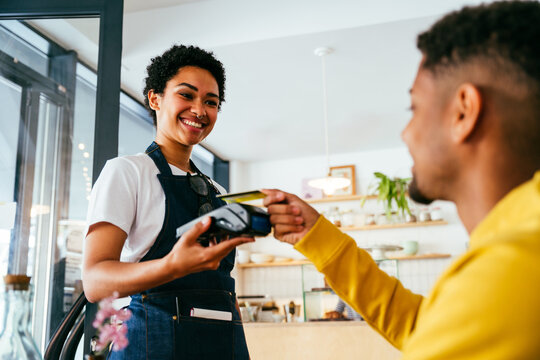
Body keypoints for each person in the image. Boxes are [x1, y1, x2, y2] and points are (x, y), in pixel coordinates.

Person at [263, 1, 540, 359]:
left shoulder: (508, 273)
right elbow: (425, 328)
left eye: (415, 109)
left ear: (463, 112)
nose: (407, 133)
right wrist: (317, 236)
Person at [83, 45, 254, 359]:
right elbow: (95, 282)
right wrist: (171, 266)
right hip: (150, 344)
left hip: (223, 343)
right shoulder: (128, 171)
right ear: (155, 99)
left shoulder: (217, 190)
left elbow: (220, 287)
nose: (200, 110)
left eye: (211, 102)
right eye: (186, 95)